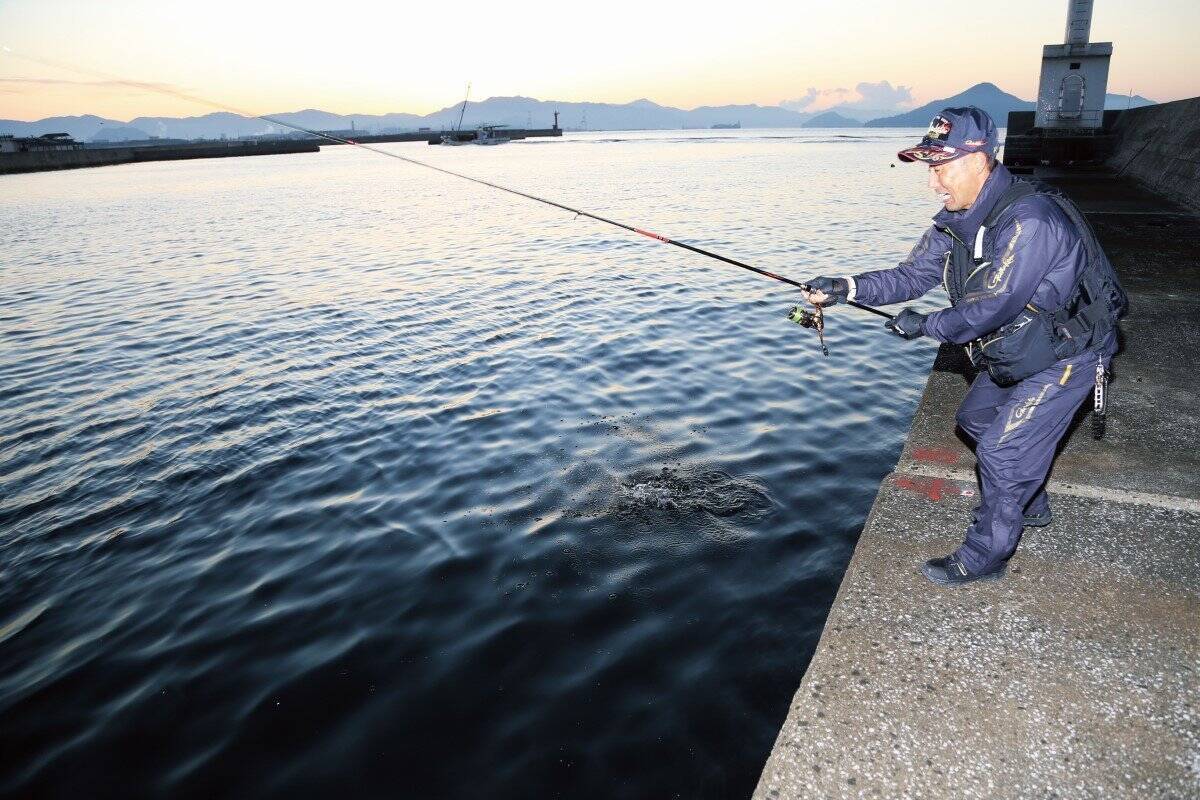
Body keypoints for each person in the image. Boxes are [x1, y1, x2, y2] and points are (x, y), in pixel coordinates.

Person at [804, 106, 1126, 587]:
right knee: (974, 420)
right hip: (1020, 347)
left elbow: (991, 306)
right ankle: (1027, 503)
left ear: (979, 160)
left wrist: (925, 324)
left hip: (1067, 353)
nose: (933, 182)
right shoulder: (958, 219)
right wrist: (846, 288)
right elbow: (911, 276)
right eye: (929, 168)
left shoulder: (1030, 221)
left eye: (941, 167)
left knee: (1002, 453)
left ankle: (984, 557)